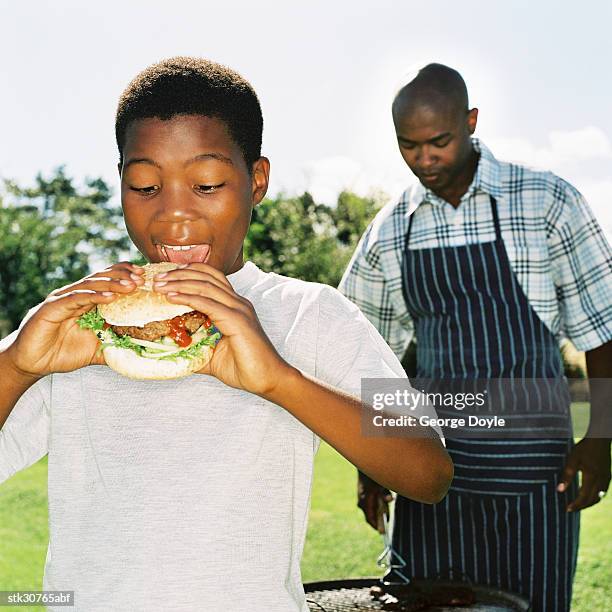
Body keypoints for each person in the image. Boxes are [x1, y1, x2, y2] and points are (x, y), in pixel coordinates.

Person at [0, 57, 453, 612]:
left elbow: (427, 472)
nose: (174, 217)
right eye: (145, 186)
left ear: (256, 180)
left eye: (207, 184)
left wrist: (279, 381)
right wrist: (16, 368)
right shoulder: (77, 321)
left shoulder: (309, 314)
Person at [339, 63, 612, 611]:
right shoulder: (393, 227)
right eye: (408, 146)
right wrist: (373, 463)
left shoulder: (545, 202)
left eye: (439, 141)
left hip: (534, 470)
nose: (425, 159)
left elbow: (603, 331)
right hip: (432, 471)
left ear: (471, 122)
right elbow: (364, 352)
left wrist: (601, 441)